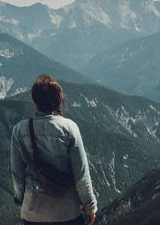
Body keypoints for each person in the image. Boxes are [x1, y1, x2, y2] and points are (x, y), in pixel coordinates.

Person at [11, 75, 97, 225]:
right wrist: (90, 208)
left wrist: (20, 202)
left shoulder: (19, 130)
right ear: (58, 99)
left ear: (35, 99)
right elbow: (81, 174)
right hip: (66, 211)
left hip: (32, 211)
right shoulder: (69, 128)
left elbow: (17, 174)